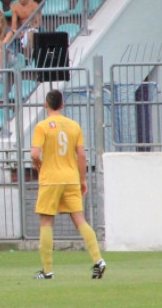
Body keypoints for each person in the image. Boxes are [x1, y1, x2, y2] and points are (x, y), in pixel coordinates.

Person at [31, 89, 106, 281]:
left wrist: (37, 163)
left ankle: (47, 271)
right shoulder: (74, 126)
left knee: (47, 222)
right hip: (71, 178)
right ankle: (98, 260)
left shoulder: (42, 126)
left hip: (51, 179)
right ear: (62, 105)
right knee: (80, 220)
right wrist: (83, 179)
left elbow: (34, 153)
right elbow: (81, 156)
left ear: (45, 105)